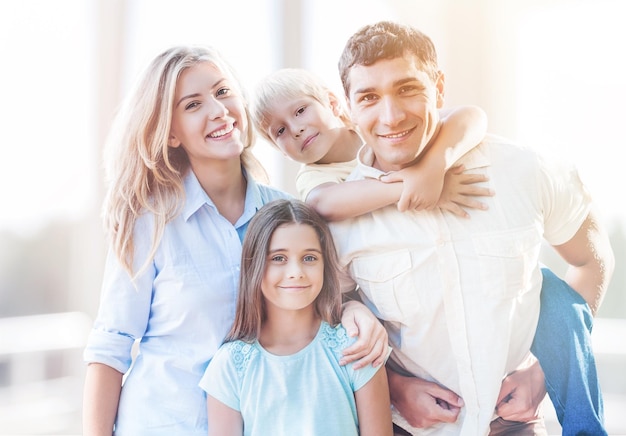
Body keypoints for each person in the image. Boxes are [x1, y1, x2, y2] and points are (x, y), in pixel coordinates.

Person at [82, 45, 388, 436]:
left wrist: (353, 311)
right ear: (170, 133)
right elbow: (111, 346)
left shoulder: (287, 215)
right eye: (193, 105)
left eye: (223, 92)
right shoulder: (151, 223)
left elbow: (323, 311)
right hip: (166, 424)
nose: (218, 110)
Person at [330, 21, 615, 435]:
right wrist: (390, 388)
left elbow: (592, 259)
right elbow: (321, 324)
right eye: (369, 97)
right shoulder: (338, 221)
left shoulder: (523, 170)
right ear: (349, 107)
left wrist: (542, 373)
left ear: (439, 87)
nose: (390, 115)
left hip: (514, 428)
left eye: (408, 88)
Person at [200, 199, 393, 436]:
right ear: (255, 265)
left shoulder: (355, 348)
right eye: (278, 258)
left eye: (309, 258)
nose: (296, 273)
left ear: (325, 265)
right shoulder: (230, 365)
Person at [252, 68, 492, 221]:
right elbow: (323, 203)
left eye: (301, 110)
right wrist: (415, 186)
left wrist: (433, 168)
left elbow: (471, 116)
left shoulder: (376, 127)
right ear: (279, 151)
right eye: (280, 131)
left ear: (333, 103)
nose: (296, 129)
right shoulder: (313, 176)